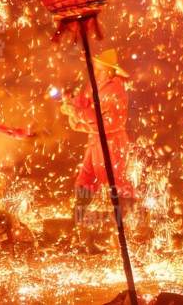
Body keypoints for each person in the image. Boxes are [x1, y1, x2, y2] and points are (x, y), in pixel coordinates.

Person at [65, 47, 132, 236]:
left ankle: (125, 228)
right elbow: (85, 107)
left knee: (117, 184)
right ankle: (78, 227)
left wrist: (78, 114)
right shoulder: (94, 86)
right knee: (85, 180)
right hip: (96, 141)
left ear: (109, 71)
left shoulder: (116, 90)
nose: (95, 71)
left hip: (111, 144)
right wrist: (71, 106)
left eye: (99, 69)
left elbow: (108, 121)